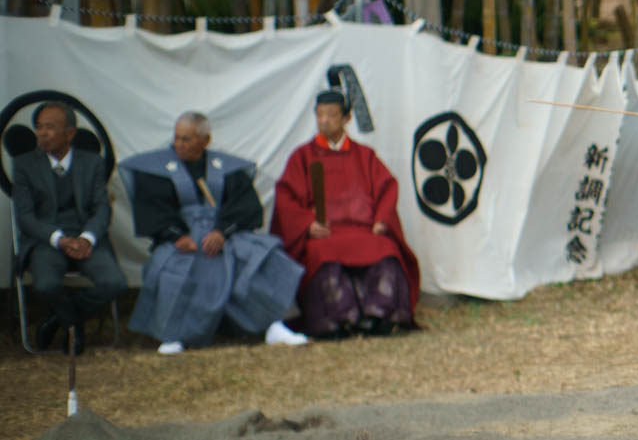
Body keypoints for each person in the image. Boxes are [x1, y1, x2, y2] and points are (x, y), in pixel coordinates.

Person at [120, 112, 308, 355]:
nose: (178, 145)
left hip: (224, 236)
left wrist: (222, 232)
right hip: (183, 238)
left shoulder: (225, 168)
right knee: (174, 271)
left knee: (263, 258)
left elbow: (245, 207)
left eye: (186, 139)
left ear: (205, 141)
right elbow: (153, 209)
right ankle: (175, 335)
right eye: (176, 138)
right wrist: (176, 235)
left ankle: (273, 325)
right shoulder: (157, 169)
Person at [270, 88, 420, 337]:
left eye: (331, 115)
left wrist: (382, 219)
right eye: (319, 115)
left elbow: (387, 187)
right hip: (326, 232)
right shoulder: (302, 156)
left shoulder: (365, 155)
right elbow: (286, 197)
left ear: (346, 118)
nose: (324, 121)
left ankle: (380, 316)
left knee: (385, 249)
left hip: (364, 230)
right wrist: (308, 224)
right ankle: (337, 321)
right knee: (321, 254)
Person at [12, 101, 127, 354]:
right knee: (46, 285)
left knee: (115, 283)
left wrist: (87, 238)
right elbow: (26, 217)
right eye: (39, 127)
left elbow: (102, 208)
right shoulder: (24, 165)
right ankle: (75, 328)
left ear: (70, 133)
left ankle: (60, 319)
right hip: (47, 241)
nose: (42, 133)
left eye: (50, 127)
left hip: (87, 239)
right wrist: (59, 239)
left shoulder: (92, 163)